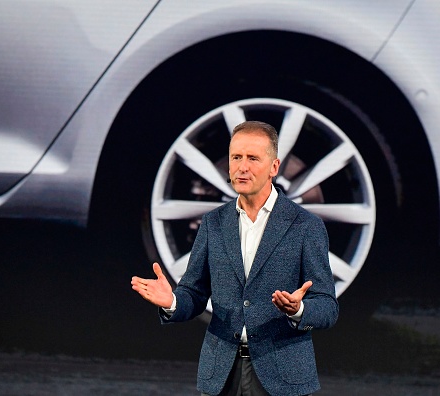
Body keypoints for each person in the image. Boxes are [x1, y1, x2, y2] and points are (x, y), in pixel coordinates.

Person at [131, 120, 338, 396]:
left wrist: (298, 310)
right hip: (221, 374)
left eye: (253, 158)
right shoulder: (213, 223)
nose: (242, 166)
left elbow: (327, 306)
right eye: (236, 157)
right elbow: (194, 292)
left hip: (282, 377)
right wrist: (173, 302)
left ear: (274, 167)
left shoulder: (305, 226)